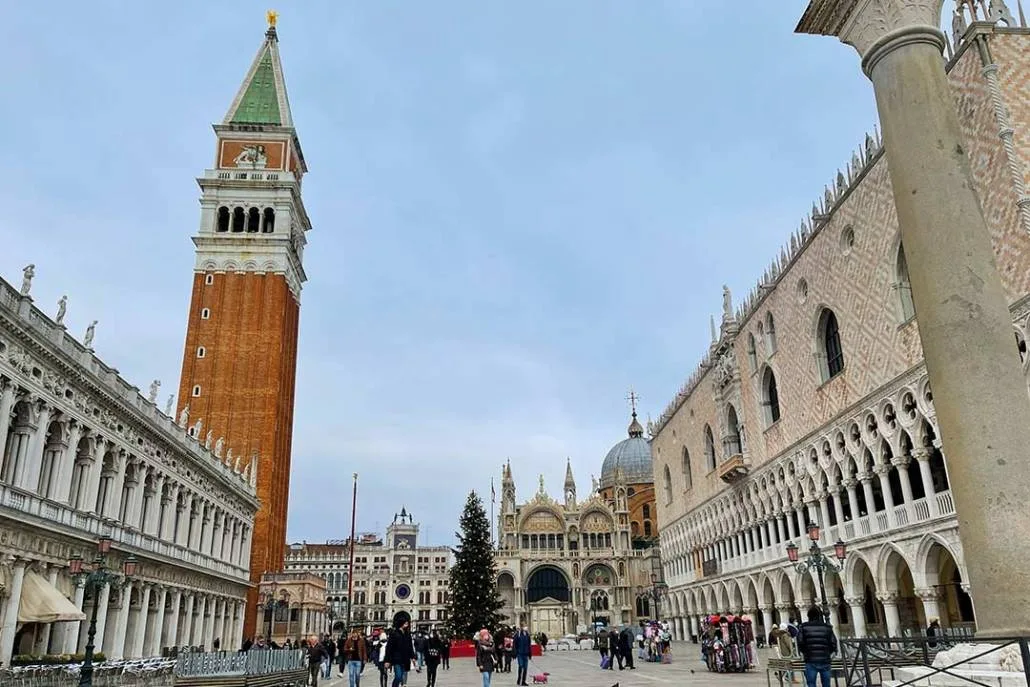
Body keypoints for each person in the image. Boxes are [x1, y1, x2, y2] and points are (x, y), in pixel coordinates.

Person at [796, 607, 837, 687]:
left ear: (808, 616)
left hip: (810, 659)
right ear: (819, 616)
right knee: (826, 684)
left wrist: (804, 652)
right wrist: (829, 653)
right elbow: (833, 642)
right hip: (825, 659)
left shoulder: (803, 627)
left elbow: (800, 642)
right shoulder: (827, 627)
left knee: (811, 683)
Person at [385, 618, 416, 687]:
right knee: (398, 676)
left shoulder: (408, 634)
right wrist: (387, 660)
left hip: (405, 658)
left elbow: (410, 646)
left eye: (407, 624)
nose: (407, 625)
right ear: (401, 624)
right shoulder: (394, 634)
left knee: (402, 677)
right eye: (405, 623)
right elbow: (389, 647)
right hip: (397, 658)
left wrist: (413, 657)